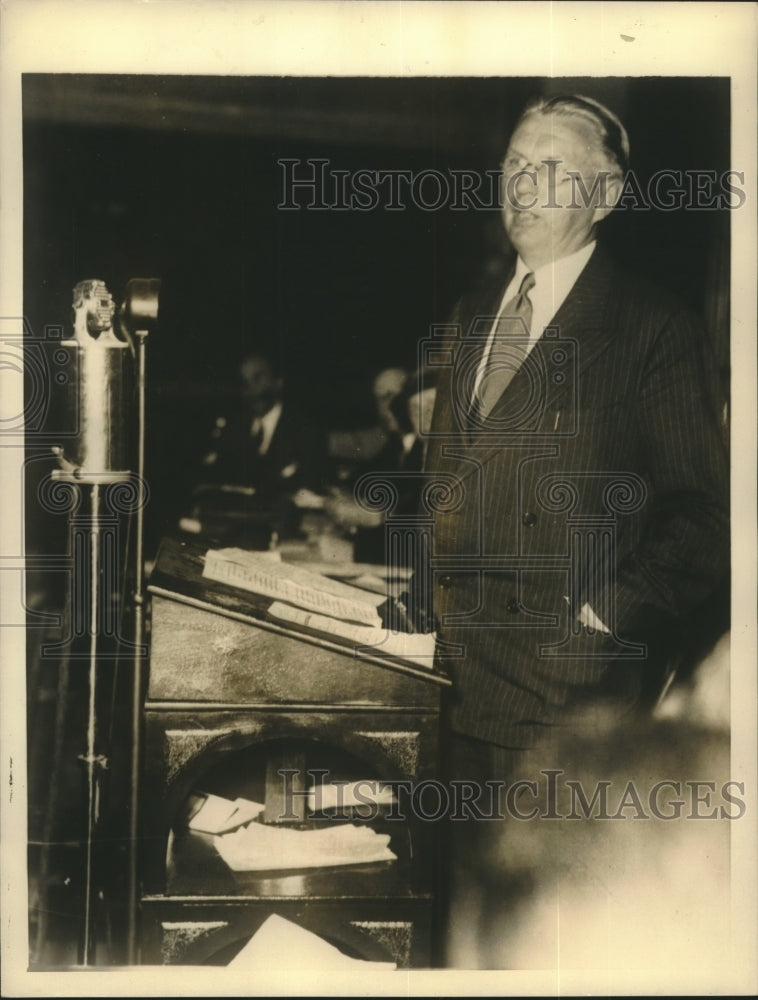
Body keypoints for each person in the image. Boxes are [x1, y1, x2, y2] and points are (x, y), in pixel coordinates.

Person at [417, 94, 729, 784]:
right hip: (443, 680)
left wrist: (601, 619)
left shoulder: (653, 327)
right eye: (514, 166)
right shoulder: (471, 314)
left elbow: (707, 516)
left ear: (607, 194)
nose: (522, 187)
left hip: (560, 701)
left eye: (550, 168)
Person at [190, 352, 328, 544]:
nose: (251, 390)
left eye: (258, 378)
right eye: (245, 382)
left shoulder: (305, 431)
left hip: (286, 535)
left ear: (278, 382)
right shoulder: (233, 429)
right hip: (234, 532)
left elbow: (308, 489)